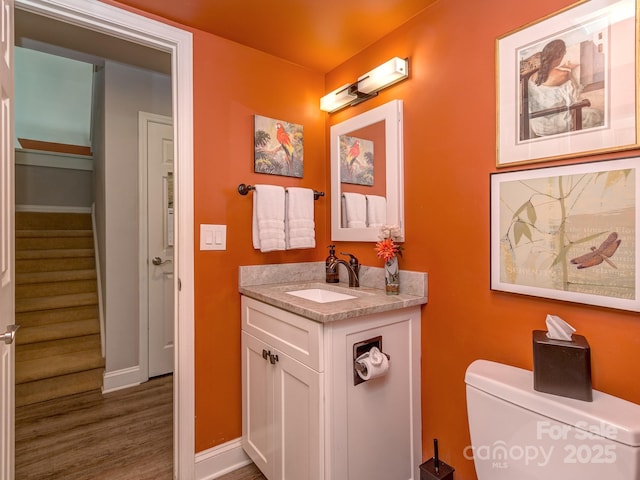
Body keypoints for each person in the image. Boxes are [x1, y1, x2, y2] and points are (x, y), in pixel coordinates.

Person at [527, 39, 603, 137]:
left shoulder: (531, 77)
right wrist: (569, 72)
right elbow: (575, 101)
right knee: (598, 114)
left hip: (538, 126)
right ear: (560, 55)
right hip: (557, 125)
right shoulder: (564, 74)